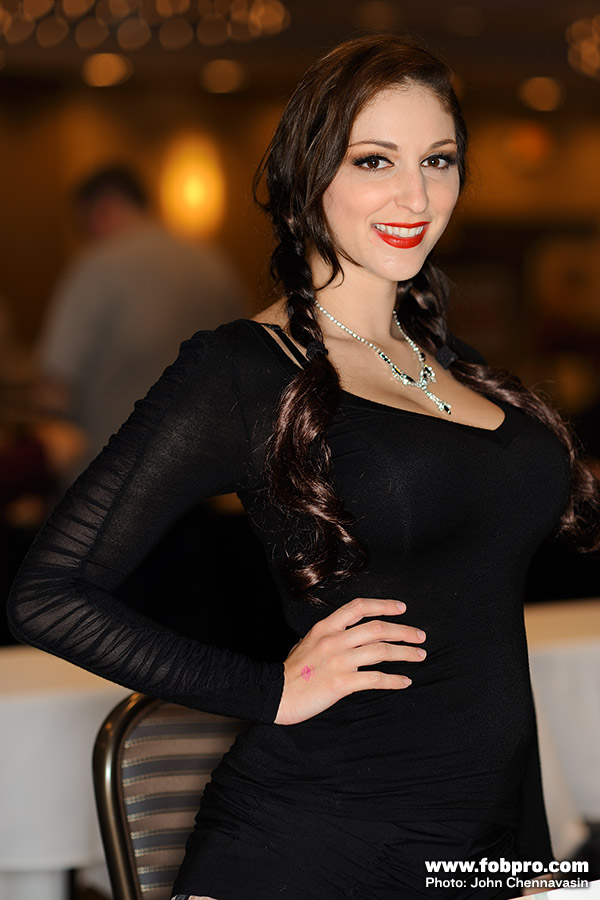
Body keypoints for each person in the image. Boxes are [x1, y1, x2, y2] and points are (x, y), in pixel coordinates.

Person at [7, 34, 600, 900]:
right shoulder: (245, 369)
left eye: (438, 160)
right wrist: (269, 690)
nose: (415, 196)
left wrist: (528, 864)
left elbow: (482, 636)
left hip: (480, 849)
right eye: (374, 160)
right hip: (313, 849)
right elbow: (47, 595)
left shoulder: (452, 365)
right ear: (307, 174)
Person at [36, 165, 247, 480]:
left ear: (104, 209)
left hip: (109, 477)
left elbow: (54, 388)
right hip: (199, 475)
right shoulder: (213, 262)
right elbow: (244, 359)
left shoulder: (96, 266)